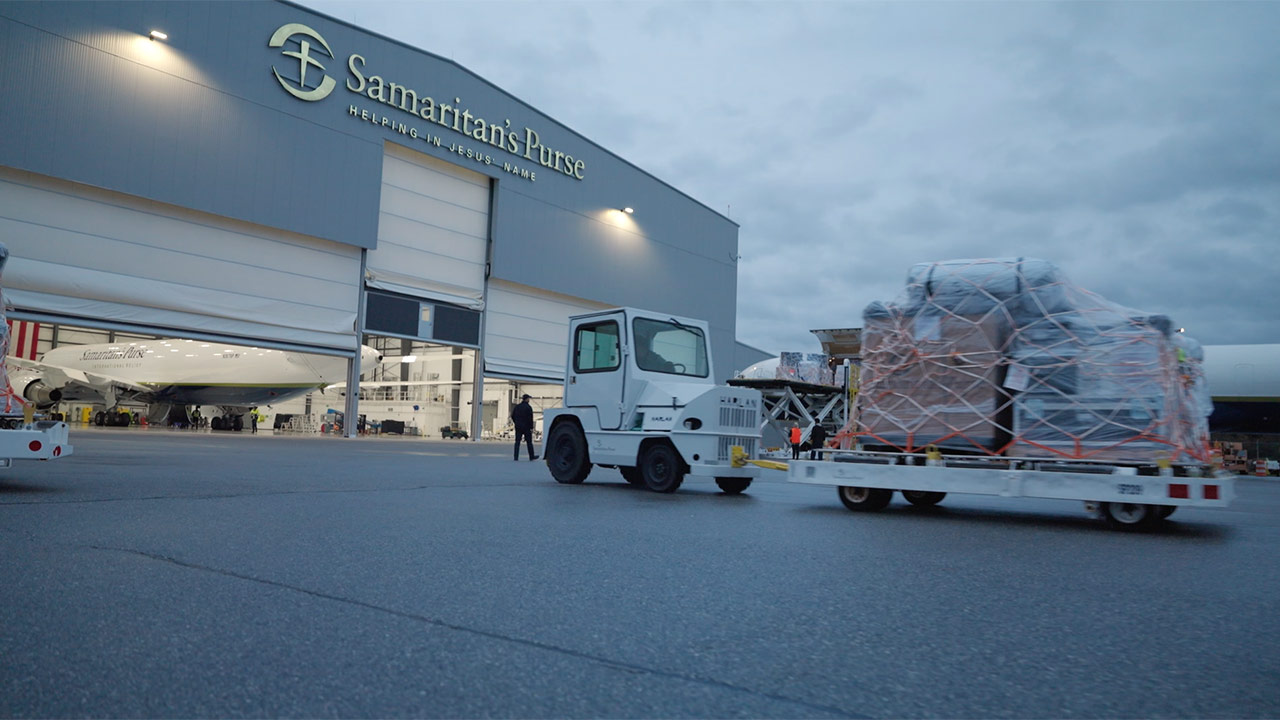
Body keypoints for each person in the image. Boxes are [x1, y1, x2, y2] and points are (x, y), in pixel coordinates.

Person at [511, 394, 537, 461]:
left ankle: (516, 457)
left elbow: (512, 416)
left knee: (517, 442)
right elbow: (530, 418)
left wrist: (516, 422)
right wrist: (531, 427)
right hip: (526, 427)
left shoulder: (517, 407)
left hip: (518, 426)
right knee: (529, 442)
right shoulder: (528, 407)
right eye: (529, 399)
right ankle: (531, 456)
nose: (529, 400)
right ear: (526, 399)